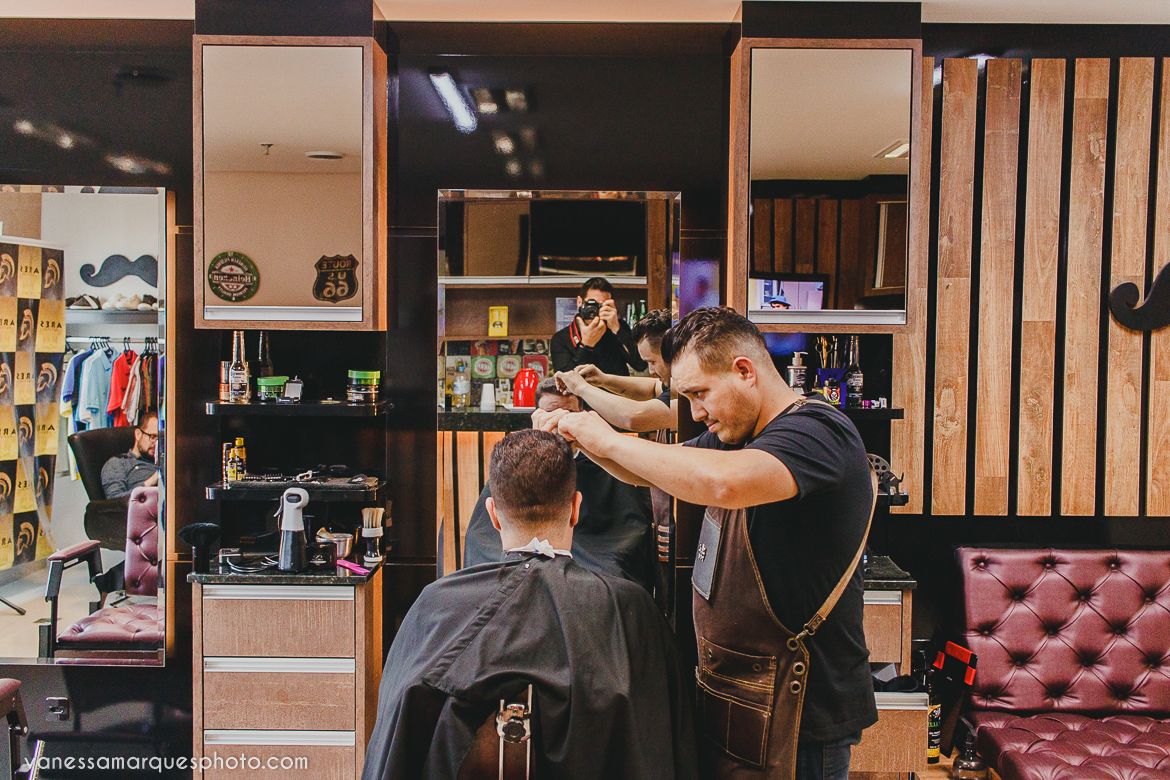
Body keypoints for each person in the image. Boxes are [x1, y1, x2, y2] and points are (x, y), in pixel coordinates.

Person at [549, 307, 878, 780]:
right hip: (738, 701)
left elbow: (722, 484)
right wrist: (583, 441)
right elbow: (657, 469)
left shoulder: (817, 432)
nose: (696, 413)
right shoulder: (738, 436)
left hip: (801, 717)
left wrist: (607, 437)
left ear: (744, 371)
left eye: (699, 394)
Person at [361, 429, 696, 780]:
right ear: (575, 509)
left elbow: (396, 739)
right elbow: (666, 745)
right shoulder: (631, 610)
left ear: (492, 515)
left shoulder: (435, 604)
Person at [462, 378, 655, 591]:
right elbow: (481, 537)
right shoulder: (515, 462)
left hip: (597, 563)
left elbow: (629, 532)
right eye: (550, 414)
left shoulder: (606, 464)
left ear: (582, 415)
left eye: (567, 414)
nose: (558, 423)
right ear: (535, 415)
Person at [554, 308, 675, 432]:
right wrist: (603, 380)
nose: (651, 371)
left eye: (652, 362)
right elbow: (654, 388)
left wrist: (581, 388)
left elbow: (634, 417)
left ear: (673, 354)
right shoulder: (673, 385)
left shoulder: (685, 392)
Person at [549, 277, 647, 376]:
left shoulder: (619, 328)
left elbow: (640, 365)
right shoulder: (561, 339)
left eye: (601, 305)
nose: (594, 310)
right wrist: (586, 346)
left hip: (615, 386)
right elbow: (565, 380)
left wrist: (617, 329)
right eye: (592, 303)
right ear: (579, 302)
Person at [100, 412, 160, 498]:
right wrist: (151, 481)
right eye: (153, 437)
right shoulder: (119, 463)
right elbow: (114, 499)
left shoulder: (165, 462)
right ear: (138, 434)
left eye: (160, 439)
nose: (156, 444)